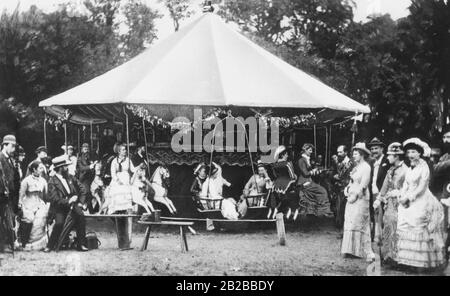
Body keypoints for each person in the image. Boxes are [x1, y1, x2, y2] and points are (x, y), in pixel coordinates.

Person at [396, 138, 446, 270]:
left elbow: (422, 187)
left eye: (413, 152)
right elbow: (406, 183)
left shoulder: (424, 167)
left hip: (421, 198)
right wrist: (402, 195)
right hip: (408, 198)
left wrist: (410, 198)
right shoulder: (410, 168)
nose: (410, 155)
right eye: (408, 152)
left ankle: (420, 263)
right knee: (404, 225)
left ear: (419, 153)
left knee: (418, 224)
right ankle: (408, 261)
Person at [44, 156, 88, 252]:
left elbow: (83, 189)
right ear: (60, 168)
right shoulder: (52, 182)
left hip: (73, 206)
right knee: (59, 223)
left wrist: (80, 202)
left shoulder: (70, 177)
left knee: (81, 216)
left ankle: (81, 244)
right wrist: (69, 201)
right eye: (65, 166)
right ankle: (50, 245)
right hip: (59, 208)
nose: (67, 168)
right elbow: (55, 199)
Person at [373, 142, 408, 265]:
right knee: (387, 226)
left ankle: (397, 257)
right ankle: (387, 255)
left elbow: (408, 188)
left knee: (397, 227)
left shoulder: (405, 170)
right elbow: (384, 186)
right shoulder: (391, 169)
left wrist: (398, 193)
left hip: (401, 204)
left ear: (397, 156)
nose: (387, 157)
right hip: (389, 204)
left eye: (390, 155)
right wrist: (378, 199)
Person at [341, 142, 376, 262]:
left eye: (356, 154)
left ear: (361, 155)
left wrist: (355, 195)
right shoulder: (356, 167)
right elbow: (351, 181)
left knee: (359, 221)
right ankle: (351, 249)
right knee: (350, 220)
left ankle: (364, 250)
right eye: (353, 154)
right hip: (351, 195)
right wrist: (347, 190)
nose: (354, 156)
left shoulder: (366, 167)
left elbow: (364, 184)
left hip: (361, 197)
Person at [294, 144, 333, 221]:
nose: (311, 152)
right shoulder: (301, 160)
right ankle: (324, 211)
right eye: (310, 150)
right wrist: (314, 171)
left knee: (319, 188)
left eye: (312, 150)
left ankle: (311, 212)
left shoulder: (306, 159)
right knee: (323, 191)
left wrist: (317, 170)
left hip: (308, 181)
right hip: (304, 182)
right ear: (305, 150)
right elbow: (305, 174)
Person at [17, 161, 49, 249]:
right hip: (28, 203)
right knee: (29, 218)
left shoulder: (43, 181)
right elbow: (21, 194)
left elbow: (46, 196)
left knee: (40, 218)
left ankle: (37, 244)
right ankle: (24, 242)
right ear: (34, 169)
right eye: (40, 168)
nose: (42, 170)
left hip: (39, 203)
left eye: (42, 168)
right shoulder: (26, 181)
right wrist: (20, 205)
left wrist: (46, 205)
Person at [367, 137, 391, 241]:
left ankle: (383, 239)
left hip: (383, 194)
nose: (373, 151)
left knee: (383, 217)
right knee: (374, 216)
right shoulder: (372, 162)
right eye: (372, 149)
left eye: (376, 148)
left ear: (382, 149)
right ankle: (374, 238)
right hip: (373, 192)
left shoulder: (387, 161)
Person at [0, 135, 20, 253]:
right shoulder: (1, 158)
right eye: (12, 146)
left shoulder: (9, 159)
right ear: (5, 145)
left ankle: (6, 244)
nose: (13, 149)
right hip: (1, 194)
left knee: (8, 219)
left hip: (9, 195)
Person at [105, 144, 136, 214]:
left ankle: (126, 210)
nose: (125, 151)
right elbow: (113, 173)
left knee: (127, 192)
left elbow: (133, 170)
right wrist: (118, 180)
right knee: (117, 192)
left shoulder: (128, 160)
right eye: (123, 150)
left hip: (126, 179)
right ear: (119, 151)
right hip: (117, 179)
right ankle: (116, 210)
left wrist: (139, 167)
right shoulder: (114, 161)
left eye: (125, 149)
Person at [433, 127, 450, 260]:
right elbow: (436, 169)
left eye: (449, 138)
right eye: (444, 138)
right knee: (445, 221)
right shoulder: (445, 156)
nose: (446, 140)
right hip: (446, 191)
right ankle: (445, 248)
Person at [267, 145, 297, 219]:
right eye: (286, 154)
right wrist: (295, 177)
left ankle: (273, 210)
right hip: (287, 183)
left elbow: (274, 175)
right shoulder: (287, 164)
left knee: (277, 197)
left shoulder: (275, 165)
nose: (287, 156)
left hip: (277, 184)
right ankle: (290, 210)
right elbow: (292, 176)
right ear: (283, 155)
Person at [333, 145, 353, 234]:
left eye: (340, 152)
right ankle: (340, 228)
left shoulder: (350, 163)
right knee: (338, 208)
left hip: (346, 188)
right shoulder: (338, 162)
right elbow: (335, 173)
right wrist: (334, 176)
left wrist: (340, 178)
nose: (338, 154)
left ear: (346, 152)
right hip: (338, 188)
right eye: (338, 152)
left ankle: (344, 230)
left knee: (344, 208)